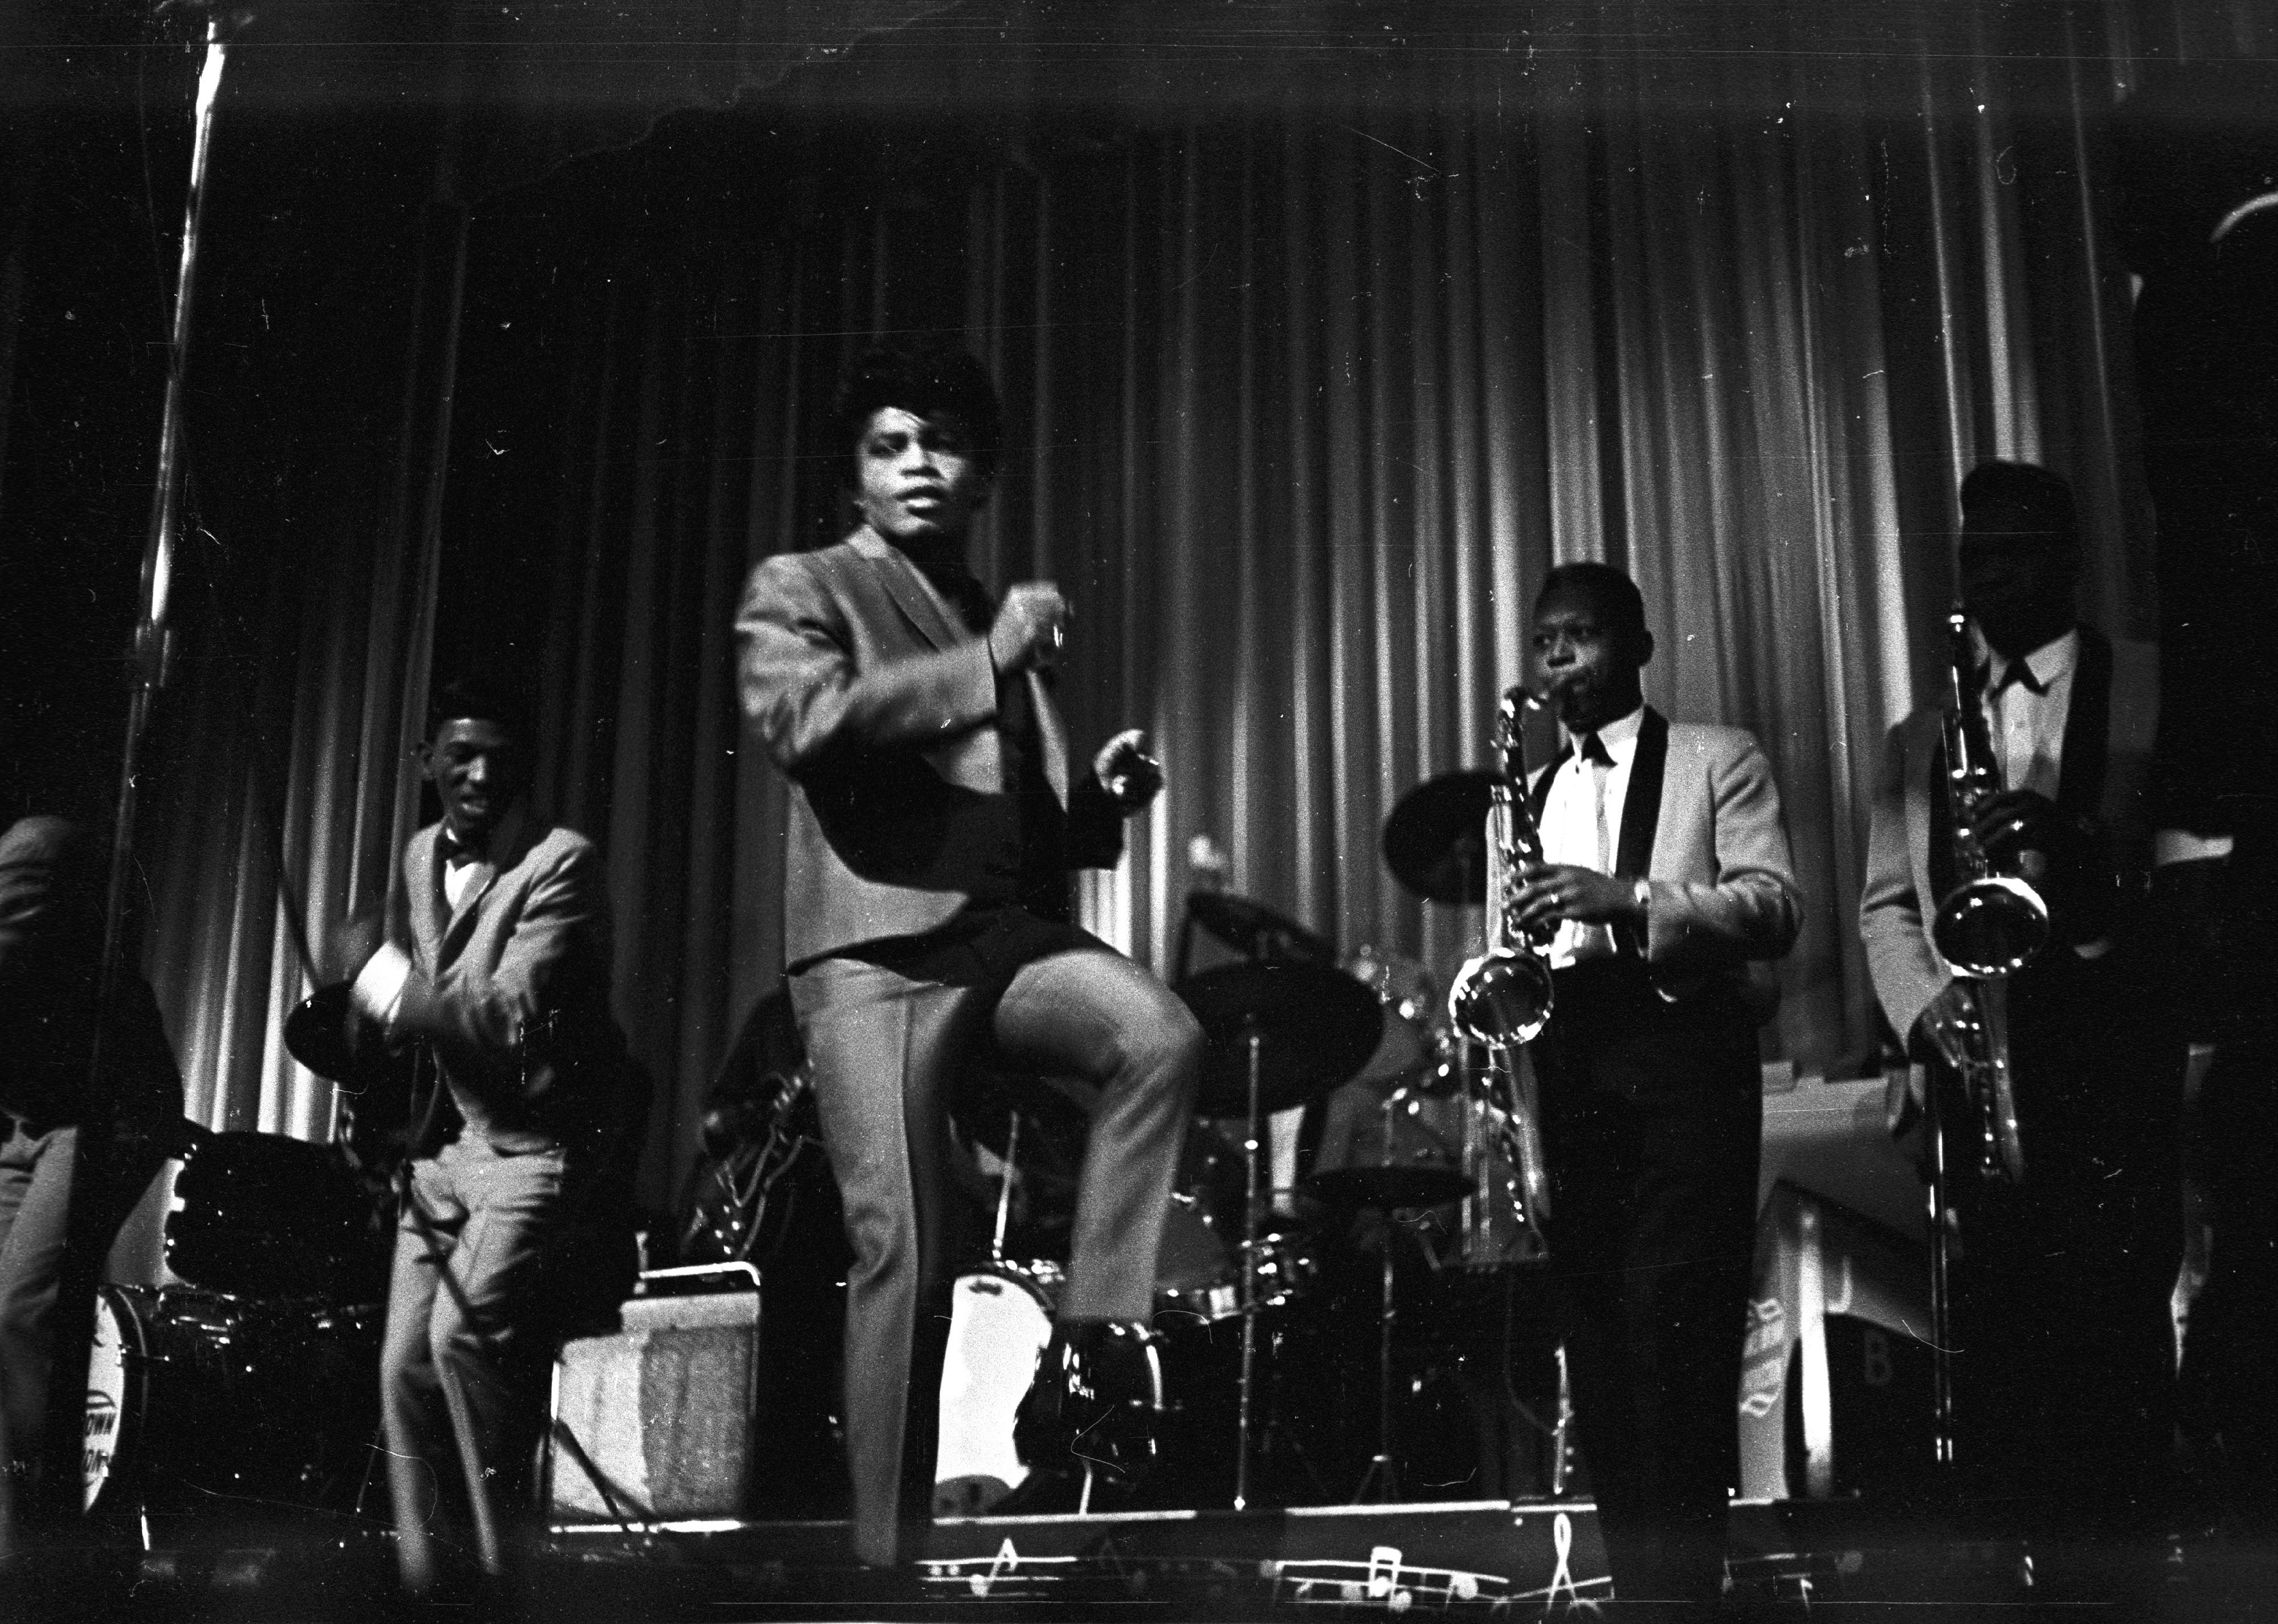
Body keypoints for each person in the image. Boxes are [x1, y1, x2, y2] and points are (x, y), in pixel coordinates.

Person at [736, 340, 1203, 1569]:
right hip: (878, 955)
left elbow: (1011, 816)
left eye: (941, 445)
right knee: (909, 1249)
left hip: (997, 942)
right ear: (856, 475)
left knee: (1158, 1034)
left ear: (981, 472)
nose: (919, 467)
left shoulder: (974, 608)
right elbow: (811, 726)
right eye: (890, 447)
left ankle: (1098, 1343)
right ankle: (882, 1567)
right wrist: (988, 660)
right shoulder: (808, 585)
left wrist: (1100, 800)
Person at [1859, 462, 2178, 1564]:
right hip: (1978, 1069)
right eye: (1972, 553)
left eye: (2014, 548)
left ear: (2068, 558)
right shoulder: (1918, 737)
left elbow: (2192, 873)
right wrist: (1922, 1010)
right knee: (2000, 1364)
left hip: (2108, 1055)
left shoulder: (2151, 685)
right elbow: (1885, 907)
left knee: (2118, 1347)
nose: (1990, 572)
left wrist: (2079, 854)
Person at [1509, 561, 1802, 1607]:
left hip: (1682, 1065)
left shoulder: (1717, 758)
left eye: (1579, 637)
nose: (1558, 660)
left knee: (1672, 1338)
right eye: (1544, 642)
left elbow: (1771, 904)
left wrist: (1624, 896)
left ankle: (1687, 1597)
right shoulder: (1529, 792)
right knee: (1598, 1347)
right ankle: (1644, 1595)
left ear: (1634, 647)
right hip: (1572, 1070)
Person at [336, 679, 640, 1603]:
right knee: (398, 1365)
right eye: (457, 754)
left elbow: (508, 1014)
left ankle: (503, 1584)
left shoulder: (562, 863)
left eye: (496, 757)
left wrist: (388, 985)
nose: (476, 773)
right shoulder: (422, 851)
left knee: (462, 1342)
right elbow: (425, 1016)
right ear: (425, 761)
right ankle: (427, 1591)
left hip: (537, 1149)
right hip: (449, 1153)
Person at [0, 815, 181, 1547]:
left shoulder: (31, 867)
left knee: (24, 1308)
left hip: (108, 1111)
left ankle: (42, 1544)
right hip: (29, 1115)